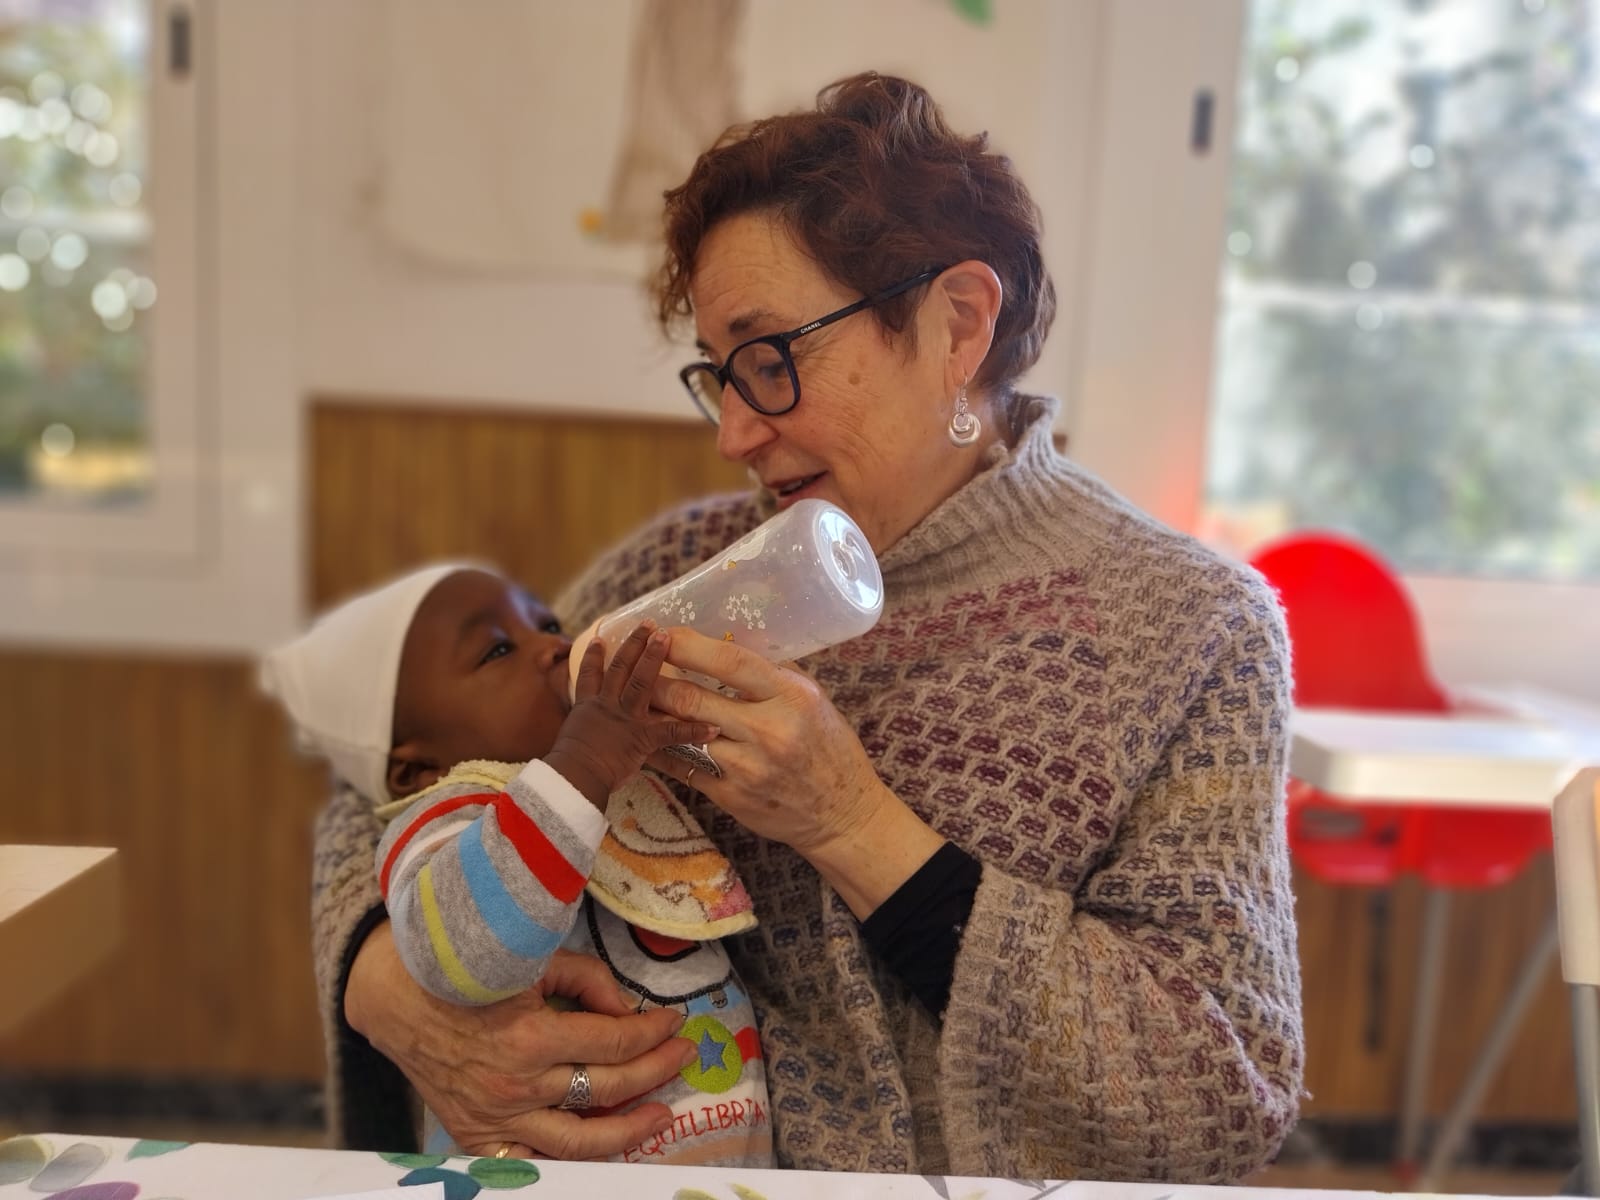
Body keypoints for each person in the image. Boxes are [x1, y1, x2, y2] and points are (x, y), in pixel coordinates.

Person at [310, 71, 1304, 1181]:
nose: (734, 434)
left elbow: (1224, 1088)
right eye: (719, 376)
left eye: (772, 358)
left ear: (957, 325)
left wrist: (854, 826)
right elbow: (400, 764)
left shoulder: (1188, 629)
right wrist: (387, 981)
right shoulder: (676, 570)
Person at [265, 564, 773, 1166]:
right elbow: (467, 951)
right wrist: (584, 762)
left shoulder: (625, 785)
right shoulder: (445, 820)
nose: (553, 646)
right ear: (416, 769)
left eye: (548, 624)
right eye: (498, 649)